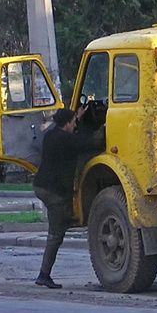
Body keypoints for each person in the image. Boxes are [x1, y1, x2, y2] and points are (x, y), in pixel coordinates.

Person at [32, 105, 101, 289]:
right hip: (53, 191)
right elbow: (93, 142)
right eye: (73, 122)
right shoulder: (68, 142)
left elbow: (68, 131)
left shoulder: (51, 135)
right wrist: (106, 125)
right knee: (56, 234)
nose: (74, 125)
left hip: (40, 186)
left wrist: (76, 116)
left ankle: (66, 218)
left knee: (62, 218)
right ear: (68, 125)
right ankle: (43, 275)